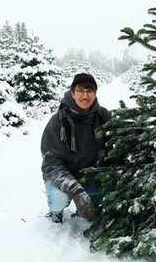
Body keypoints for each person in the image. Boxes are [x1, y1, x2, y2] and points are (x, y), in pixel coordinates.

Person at [40, 73, 110, 223]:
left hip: (90, 174)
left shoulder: (102, 115)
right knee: (59, 198)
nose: (85, 96)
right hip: (63, 176)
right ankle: (55, 212)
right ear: (72, 93)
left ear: (95, 93)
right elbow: (50, 164)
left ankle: (93, 201)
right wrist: (76, 192)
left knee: (113, 190)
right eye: (80, 91)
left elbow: (117, 141)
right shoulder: (58, 121)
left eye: (89, 91)